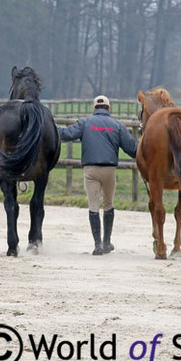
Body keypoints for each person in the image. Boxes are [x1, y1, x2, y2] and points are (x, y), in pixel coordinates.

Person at [58, 95, 137, 256]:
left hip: (91, 170)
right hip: (109, 170)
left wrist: (48, 125)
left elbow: (65, 134)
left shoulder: (85, 122)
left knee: (93, 206)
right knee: (108, 204)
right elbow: (133, 149)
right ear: (109, 108)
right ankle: (107, 242)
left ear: (94, 108)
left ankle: (97, 245)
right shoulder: (117, 125)